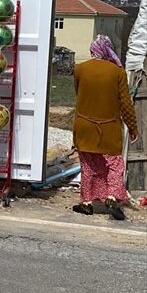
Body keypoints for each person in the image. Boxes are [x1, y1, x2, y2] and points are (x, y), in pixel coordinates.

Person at [72, 35, 140, 220]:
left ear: (92, 49)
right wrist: (132, 127)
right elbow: (125, 104)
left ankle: (86, 203)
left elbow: (79, 94)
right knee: (115, 165)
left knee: (88, 164)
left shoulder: (80, 69)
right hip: (108, 128)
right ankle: (111, 197)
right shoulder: (117, 72)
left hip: (84, 125)